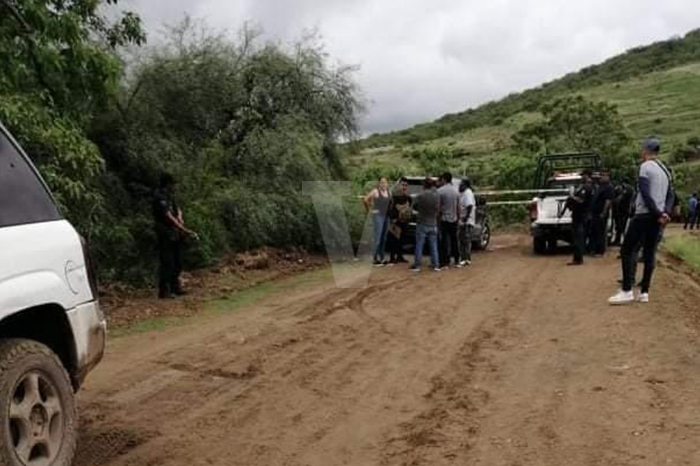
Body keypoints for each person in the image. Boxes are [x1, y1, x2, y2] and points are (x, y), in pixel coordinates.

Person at [609, 138, 675, 305]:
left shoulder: (645, 167)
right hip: (657, 217)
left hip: (644, 214)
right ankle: (644, 292)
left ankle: (627, 290)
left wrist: (657, 212)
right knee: (649, 253)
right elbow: (670, 195)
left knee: (627, 250)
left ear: (645, 150)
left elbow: (645, 193)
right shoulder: (664, 169)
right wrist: (665, 213)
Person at [153, 173, 198, 299]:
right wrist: (184, 229)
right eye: (173, 184)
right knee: (168, 262)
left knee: (178, 261)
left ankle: (175, 287)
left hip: (174, 233)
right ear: (167, 184)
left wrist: (180, 218)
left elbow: (177, 209)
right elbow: (168, 216)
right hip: (165, 233)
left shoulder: (170, 196)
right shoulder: (159, 197)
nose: (174, 186)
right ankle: (164, 291)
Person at [411, 178, 441, 272]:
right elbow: (438, 209)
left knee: (419, 244)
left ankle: (417, 265)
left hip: (422, 222)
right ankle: (435, 264)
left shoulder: (420, 195)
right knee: (433, 245)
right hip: (433, 223)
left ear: (424, 185)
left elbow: (414, 206)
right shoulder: (436, 196)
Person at [566, 170, 594, 266]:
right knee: (578, 237)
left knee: (578, 237)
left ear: (587, 176)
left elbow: (581, 201)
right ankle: (578, 257)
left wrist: (572, 197)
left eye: (583, 175)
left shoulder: (586, 188)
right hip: (580, 215)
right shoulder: (586, 187)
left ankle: (578, 258)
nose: (582, 177)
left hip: (580, 215)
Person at [363, 177, 391, 266]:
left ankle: (382, 258)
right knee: (377, 238)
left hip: (386, 217)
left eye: (385, 182)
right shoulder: (376, 191)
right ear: (379, 183)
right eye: (382, 182)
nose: (383, 184)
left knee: (384, 238)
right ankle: (374, 258)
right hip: (378, 216)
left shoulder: (388, 192)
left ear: (387, 183)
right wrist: (370, 211)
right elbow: (365, 200)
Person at [437, 172, 460, 268]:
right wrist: (458, 218)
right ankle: (457, 260)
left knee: (444, 241)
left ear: (444, 179)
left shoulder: (440, 191)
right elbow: (458, 207)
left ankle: (444, 261)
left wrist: (438, 218)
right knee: (454, 240)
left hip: (444, 219)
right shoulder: (456, 191)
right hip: (454, 219)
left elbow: (438, 207)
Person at [387, 178, 412, 264]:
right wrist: (392, 218)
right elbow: (390, 208)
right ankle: (392, 257)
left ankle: (399, 256)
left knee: (402, 239)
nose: (404, 187)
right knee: (394, 238)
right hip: (395, 220)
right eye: (402, 185)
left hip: (404, 221)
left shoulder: (408, 197)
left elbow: (409, 208)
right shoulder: (394, 196)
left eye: (405, 185)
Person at [590, 173, 614, 256]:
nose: (601, 178)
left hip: (601, 213)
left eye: (604, 176)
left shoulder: (609, 187)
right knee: (595, 232)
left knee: (600, 232)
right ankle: (595, 249)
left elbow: (608, 201)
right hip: (595, 213)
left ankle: (600, 251)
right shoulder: (600, 186)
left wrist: (604, 212)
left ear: (608, 177)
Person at [458, 178, 476, 267]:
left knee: (465, 239)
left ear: (465, 185)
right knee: (463, 239)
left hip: (467, 221)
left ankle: (466, 259)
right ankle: (464, 258)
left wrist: (466, 218)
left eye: (461, 184)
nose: (459, 185)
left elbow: (469, 206)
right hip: (464, 220)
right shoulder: (464, 193)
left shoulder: (468, 193)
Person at [611, 181, 634, 246]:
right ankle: (619, 240)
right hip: (624, 210)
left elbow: (619, 198)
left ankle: (619, 241)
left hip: (622, 210)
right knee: (621, 226)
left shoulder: (625, 189)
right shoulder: (631, 189)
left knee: (620, 226)